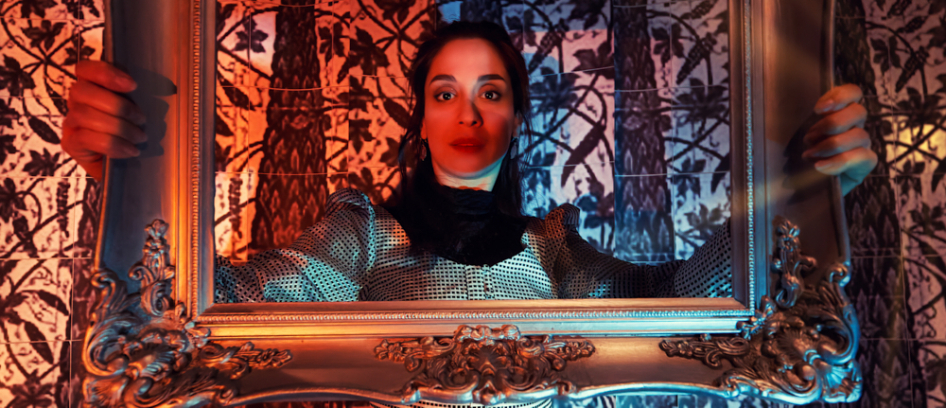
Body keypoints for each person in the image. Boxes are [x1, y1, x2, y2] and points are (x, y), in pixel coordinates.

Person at [62, 22, 877, 302]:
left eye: (490, 92)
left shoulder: (553, 248)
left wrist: (807, 197)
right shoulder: (364, 233)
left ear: (516, 118)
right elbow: (234, 300)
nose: (467, 113)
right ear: (420, 118)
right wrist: (130, 187)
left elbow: (677, 302)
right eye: (444, 93)